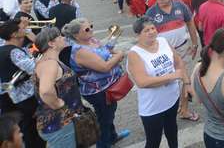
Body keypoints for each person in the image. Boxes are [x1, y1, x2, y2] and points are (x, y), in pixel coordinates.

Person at [63, 18, 130, 148]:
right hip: (97, 91)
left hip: (108, 86)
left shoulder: (91, 40)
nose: (91, 30)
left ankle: (112, 137)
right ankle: (103, 144)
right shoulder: (80, 51)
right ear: (76, 35)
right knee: (104, 118)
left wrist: (113, 44)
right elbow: (104, 67)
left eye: (91, 26)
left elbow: (105, 50)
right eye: (87, 29)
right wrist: (120, 54)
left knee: (109, 112)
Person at [127, 17, 188, 148]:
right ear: (138, 34)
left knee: (172, 130)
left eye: (153, 28)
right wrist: (171, 77)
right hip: (153, 106)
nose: (151, 32)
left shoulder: (163, 41)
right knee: (153, 141)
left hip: (172, 98)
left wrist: (186, 82)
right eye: (146, 30)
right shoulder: (135, 53)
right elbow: (142, 82)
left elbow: (178, 62)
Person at [146, 0, 200, 121]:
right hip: (163, 54)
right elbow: (145, 34)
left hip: (182, 49)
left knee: (184, 80)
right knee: (168, 82)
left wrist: (195, 43)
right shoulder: (151, 13)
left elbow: (190, 23)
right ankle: (171, 107)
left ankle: (185, 110)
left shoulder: (181, 6)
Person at [34, 27, 85, 148]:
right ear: (51, 43)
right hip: (59, 123)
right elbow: (46, 91)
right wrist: (59, 104)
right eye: (60, 36)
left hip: (59, 123)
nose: (63, 38)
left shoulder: (48, 61)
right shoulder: (50, 63)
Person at [0, 19, 44, 148]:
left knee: (27, 128)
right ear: (14, 34)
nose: (24, 29)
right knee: (33, 131)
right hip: (27, 95)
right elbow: (34, 68)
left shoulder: (4, 49)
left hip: (16, 96)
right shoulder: (14, 52)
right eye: (21, 28)